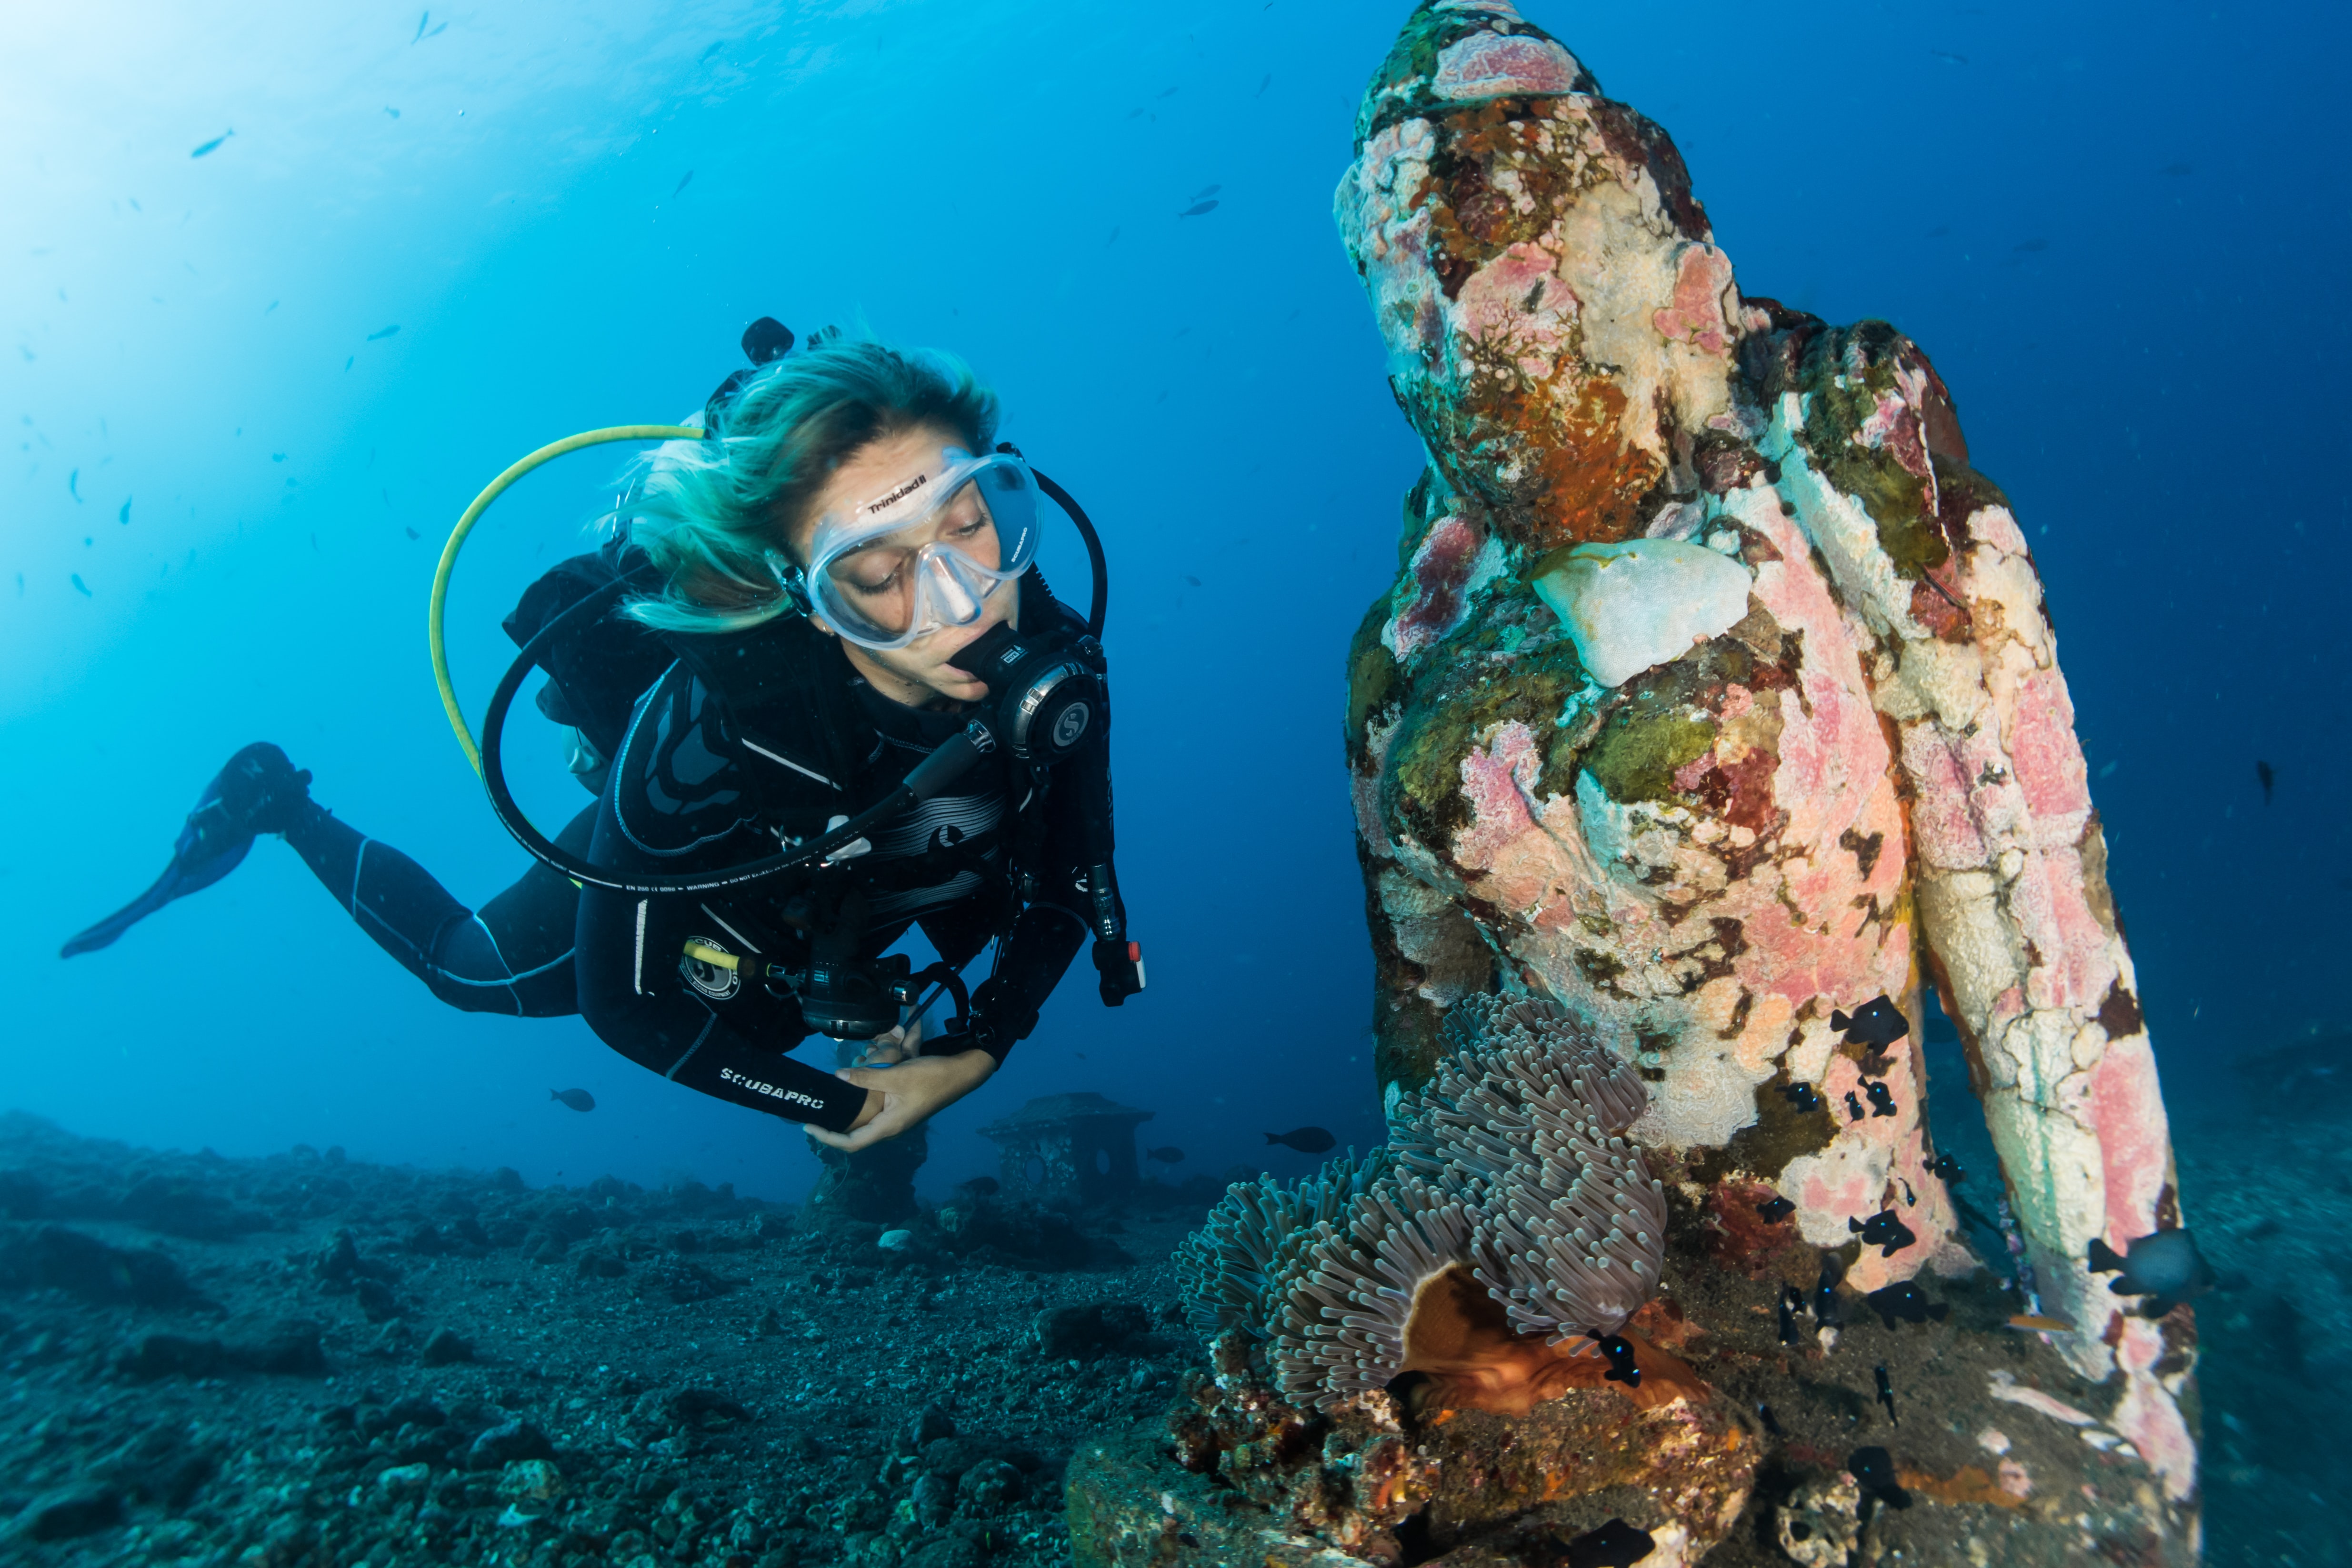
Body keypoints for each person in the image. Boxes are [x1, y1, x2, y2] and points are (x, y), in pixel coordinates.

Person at [60, 330, 1138, 1152]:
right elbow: (626, 1015)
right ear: (807, 602)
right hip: (709, 887)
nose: (963, 602)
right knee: (471, 977)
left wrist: (981, 1047)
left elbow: (1074, 872)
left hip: (852, 908)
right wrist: (846, 1100)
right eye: (877, 574)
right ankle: (281, 804)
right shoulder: (702, 748)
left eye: (966, 520)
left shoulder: (1046, 639)